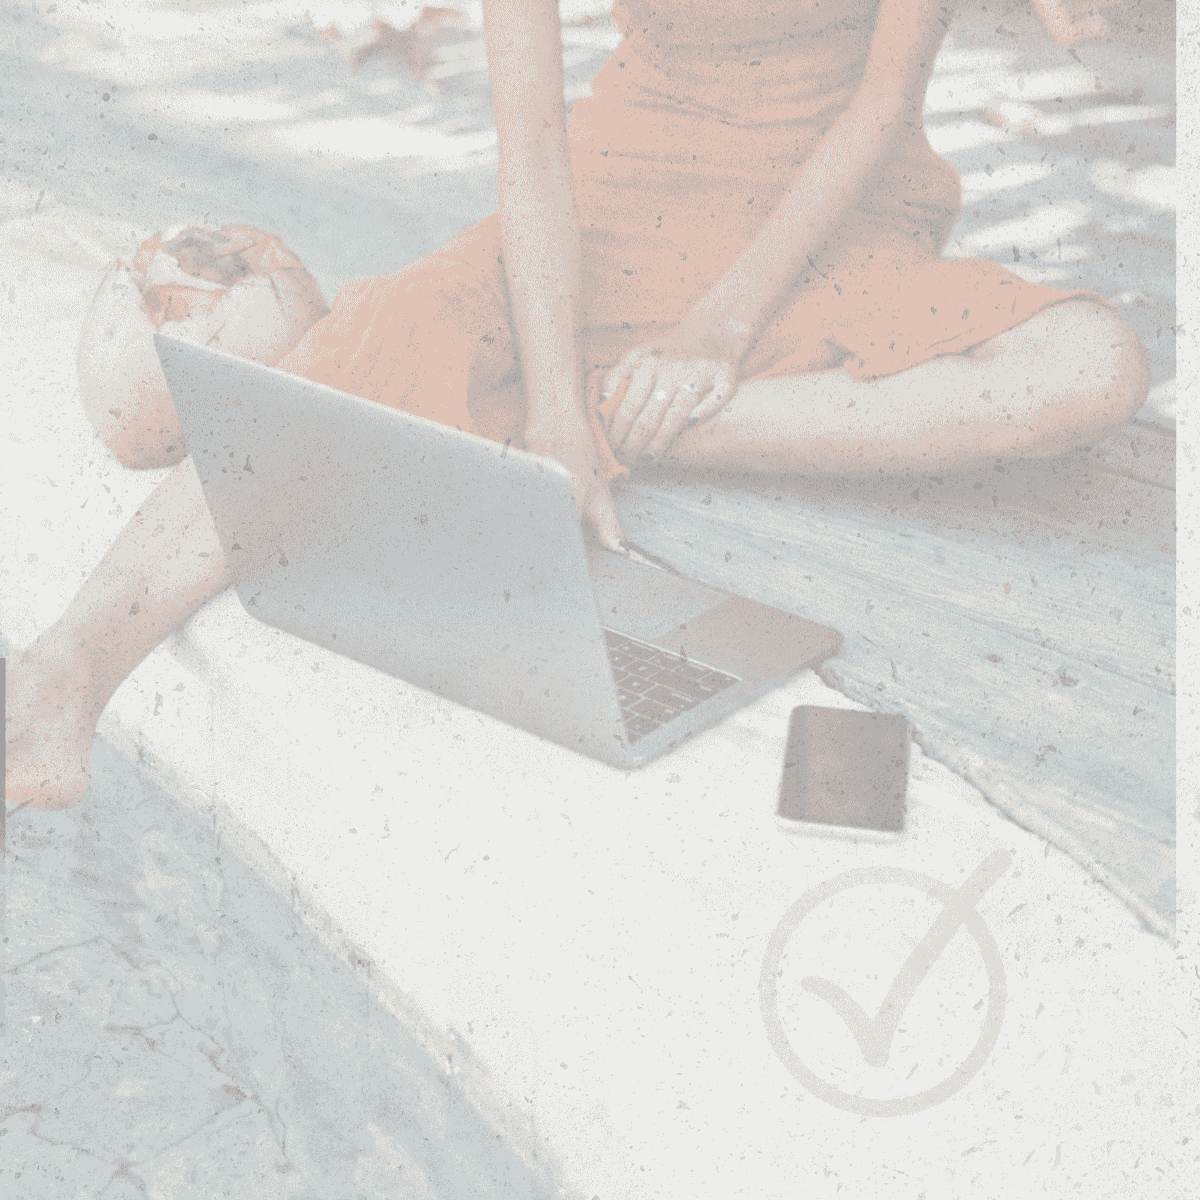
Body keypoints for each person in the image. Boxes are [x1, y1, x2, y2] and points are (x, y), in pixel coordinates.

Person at [6, 0, 1150, 811]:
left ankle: (656, 417)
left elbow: (880, 110)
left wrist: (710, 337)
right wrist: (552, 403)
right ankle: (68, 670)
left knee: (1092, 364)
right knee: (384, 336)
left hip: (829, 221)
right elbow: (532, 138)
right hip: (613, 195)